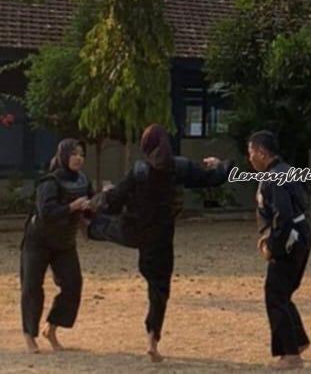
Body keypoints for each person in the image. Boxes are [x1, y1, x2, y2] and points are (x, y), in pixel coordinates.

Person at [87, 124, 233, 362]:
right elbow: (213, 178)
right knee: (159, 291)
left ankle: (90, 228)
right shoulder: (180, 167)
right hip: (160, 238)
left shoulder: (139, 170)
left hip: (132, 230)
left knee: (102, 227)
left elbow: (114, 201)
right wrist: (222, 164)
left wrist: (100, 197)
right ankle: (152, 340)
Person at [20, 139, 92, 353]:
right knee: (32, 288)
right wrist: (71, 207)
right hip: (38, 241)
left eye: (81, 154)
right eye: (74, 154)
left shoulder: (83, 180)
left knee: (73, 285)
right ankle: (29, 335)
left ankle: (51, 328)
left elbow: (89, 206)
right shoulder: (49, 182)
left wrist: (94, 205)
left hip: (65, 242)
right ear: (63, 156)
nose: (79, 158)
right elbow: (47, 213)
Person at [250, 130, 311, 370]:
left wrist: (272, 247)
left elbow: (283, 216)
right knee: (282, 294)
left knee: (275, 295)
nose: (250, 158)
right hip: (301, 236)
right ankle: (298, 342)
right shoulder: (287, 171)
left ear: (262, 153)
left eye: (251, 153)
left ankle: (291, 355)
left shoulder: (274, 177)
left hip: (289, 240)